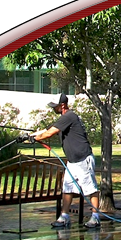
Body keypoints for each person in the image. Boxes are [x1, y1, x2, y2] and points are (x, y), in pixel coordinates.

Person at [30, 93, 102, 228]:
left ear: (62, 105)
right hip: (72, 161)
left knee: (90, 189)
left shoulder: (69, 116)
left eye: (55, 106)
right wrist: (30, 135)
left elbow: (49, 133)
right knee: (67, 188)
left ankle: (95, 217)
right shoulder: (65, 118)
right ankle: (64, 217)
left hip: (82, 159)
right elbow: (47, 130)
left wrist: (37, 138)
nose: (53, 108)